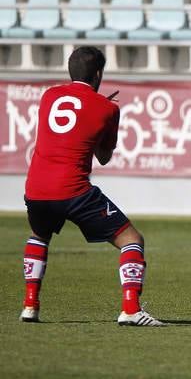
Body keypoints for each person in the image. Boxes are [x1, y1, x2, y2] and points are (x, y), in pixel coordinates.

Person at [21, 46, 163, 326]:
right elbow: (104, 157)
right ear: (98, 74)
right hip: (73, 190)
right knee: (132, 240)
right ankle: (131, 309)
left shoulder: (49, 97)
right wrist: (106, 117)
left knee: (39, 236)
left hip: (36, 187)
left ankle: (30, 305)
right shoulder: (107, 108)